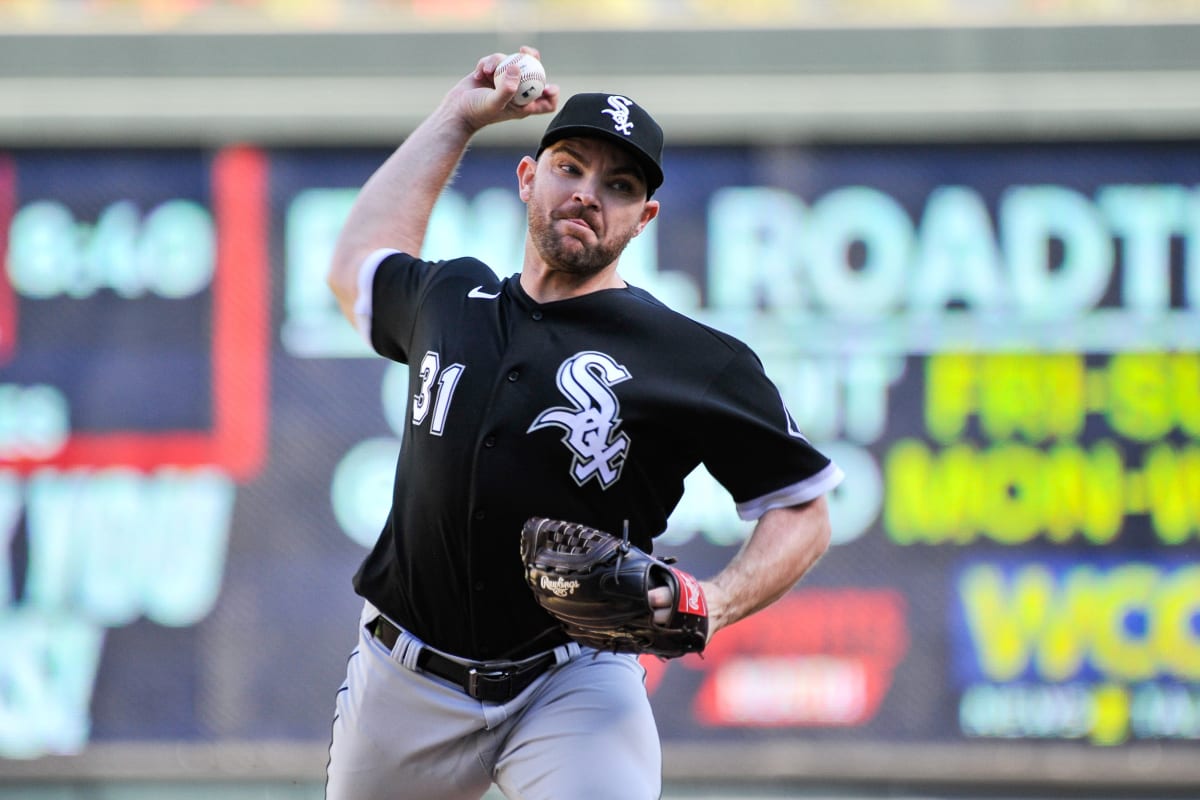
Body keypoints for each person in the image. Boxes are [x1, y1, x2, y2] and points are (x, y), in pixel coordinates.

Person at [323, 46, 844, 800]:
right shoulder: (449, 297)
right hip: (405, 679)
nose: (588, 194)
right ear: (529, 178)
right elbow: (356, 266)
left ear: (644, 218)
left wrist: (714, 605)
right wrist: (459, 117)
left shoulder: (689, 357)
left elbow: (803, 507)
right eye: (569, 167)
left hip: (571, 683)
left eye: (619, 184)